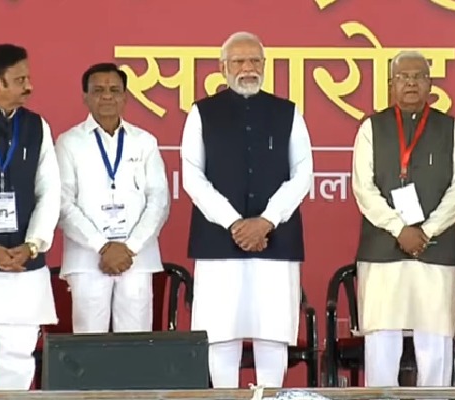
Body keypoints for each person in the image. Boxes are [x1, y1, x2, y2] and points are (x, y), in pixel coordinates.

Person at [181, 31, 313, 388]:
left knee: (273, 334)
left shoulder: (288, 112)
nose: (247, 68)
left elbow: (303, 174)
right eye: (238, 61)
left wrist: (267, 221)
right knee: (221, 334)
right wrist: (235, 223)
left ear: (265, 66)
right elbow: (192, 176)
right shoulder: (201, 112)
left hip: (276, 240)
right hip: (218, 241)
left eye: (255, 61)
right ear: (223, 67)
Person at [351, 50, 455, 388]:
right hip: (382, 252)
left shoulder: (450, 128)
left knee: (435, 343)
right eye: (403, 77)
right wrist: (399, 229)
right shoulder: (371, 128)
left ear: (430, 84)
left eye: (418, 76)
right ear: (391, 84)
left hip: (435, 252)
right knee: (381, 342)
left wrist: (426, 231)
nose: (410, 83)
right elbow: (363, 189)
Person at [56, 63, 170, 334]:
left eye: (114, 90)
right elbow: (62, 203)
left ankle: (134, 380)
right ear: (85, 96)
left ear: (125, 96)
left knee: (136, 343)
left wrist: (129, 247)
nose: (107, 96)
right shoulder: (68, 142)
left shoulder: (145, 141)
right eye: (98, 90)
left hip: (137, 257)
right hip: (87, 257)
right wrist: (102, 247)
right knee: (89, 343)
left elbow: (159, 201)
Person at [0, 44, 60, 390]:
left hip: (23, 265)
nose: (29, 86)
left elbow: (50, 191)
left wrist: (33, 245)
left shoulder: (36, 125)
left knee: (18, 361)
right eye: (19, 79)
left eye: (28, 78)